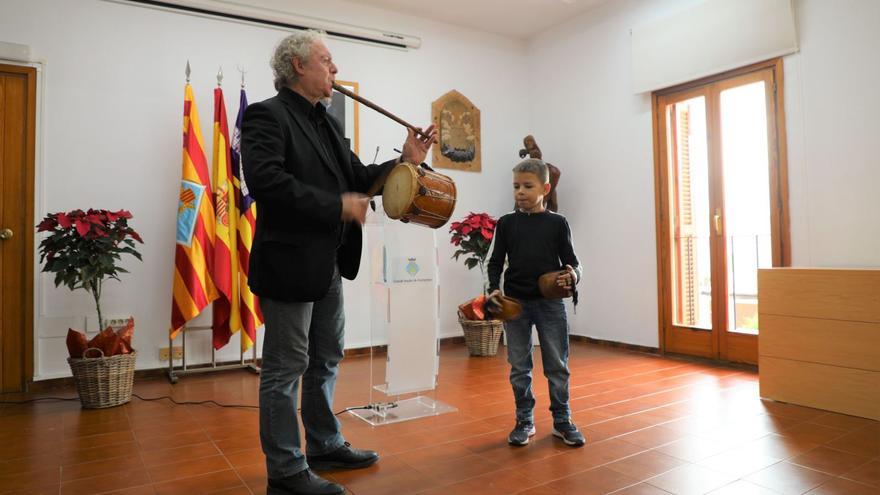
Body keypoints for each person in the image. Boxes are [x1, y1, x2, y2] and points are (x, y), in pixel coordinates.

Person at [241, 30, 436, 495]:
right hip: (289, 263)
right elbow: (267, 183)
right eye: (327, 61)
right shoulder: (266, 116)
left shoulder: (326, 122)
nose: (335, 71)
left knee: (326, 357)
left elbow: (360, 180)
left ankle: (324, 444)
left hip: (327, 262)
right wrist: (337, 206)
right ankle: (286, 473)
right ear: (298, 68)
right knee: (287, 367)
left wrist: (406, 161)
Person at [486, 158, 586, 448]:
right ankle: (524, 420)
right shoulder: (506, 223)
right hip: (514, 304)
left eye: (527, 186)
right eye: (516, 186)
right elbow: (495, 263)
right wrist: (494, 289)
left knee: (557, 365)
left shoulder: (558, 223)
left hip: (550, 305)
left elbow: (573, 264)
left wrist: (572, 276)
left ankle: (562, 421)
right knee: (519, 366)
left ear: (545, 188)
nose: (520, 192)